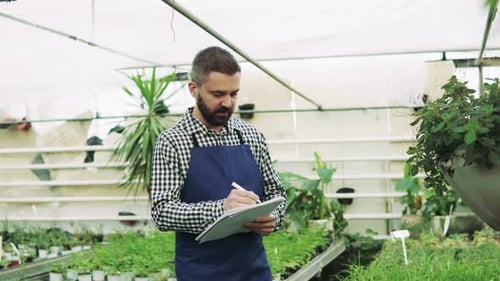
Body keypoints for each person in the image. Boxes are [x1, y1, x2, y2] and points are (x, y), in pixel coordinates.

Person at [150, 46, 287, 281]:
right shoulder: (172, 141)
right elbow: (162, 211)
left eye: (233, 94)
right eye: (218, 94)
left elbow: (276, 192)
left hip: (254, 271)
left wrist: (274, 217)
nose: (227, 102)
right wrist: (222, 209)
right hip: (201, 273)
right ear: (194, 89)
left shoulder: (251, 136)